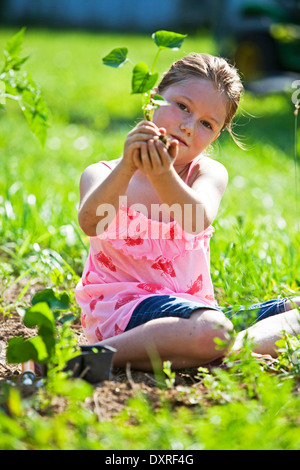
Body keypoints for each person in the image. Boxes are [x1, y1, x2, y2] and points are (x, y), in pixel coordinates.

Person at [75, 53, 300, 371]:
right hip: (122, 312)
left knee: (268, 315)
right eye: (182, 106)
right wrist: (128, 166)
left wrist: (162, 175)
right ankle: (89, 359)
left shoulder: (207, 173)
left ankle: (219, 351)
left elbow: (196, 219)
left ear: (218, 133)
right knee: (213, 330)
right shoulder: (103, 173)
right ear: (153, 97)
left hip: (193, 312)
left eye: (207, 124)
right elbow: (90, 223)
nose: (189, 127)